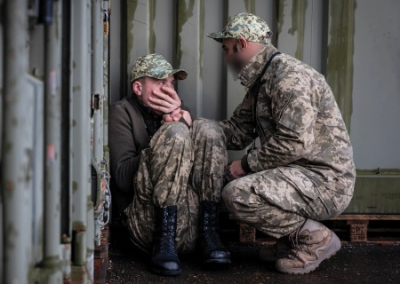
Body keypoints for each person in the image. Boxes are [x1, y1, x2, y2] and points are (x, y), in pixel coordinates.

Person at [207, 12, 356, 274]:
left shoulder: (289, 78)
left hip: (325, 182)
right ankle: (290, 239)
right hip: (297, 174)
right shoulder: (263, 80)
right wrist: (191, 124)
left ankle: (315, 240)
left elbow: (294, 142)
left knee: (238, 193)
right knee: (232, 181)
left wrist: (246, 164)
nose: (226, 57)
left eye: (226, 49)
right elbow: (237, 132)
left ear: (241, 44)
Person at [109, 53, 231, 276]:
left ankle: (210, 232)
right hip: (150, 224)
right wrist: (163, 134)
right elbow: (123, 178)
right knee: (174, 132)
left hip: (191, 223)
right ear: (138, 88)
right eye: (160, 82)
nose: (169, 90)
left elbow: (196, 169)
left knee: (208, 129)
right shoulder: (122, 112)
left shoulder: (177, 109)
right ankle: (164, 240)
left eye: (171, 84)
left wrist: (184, 123)